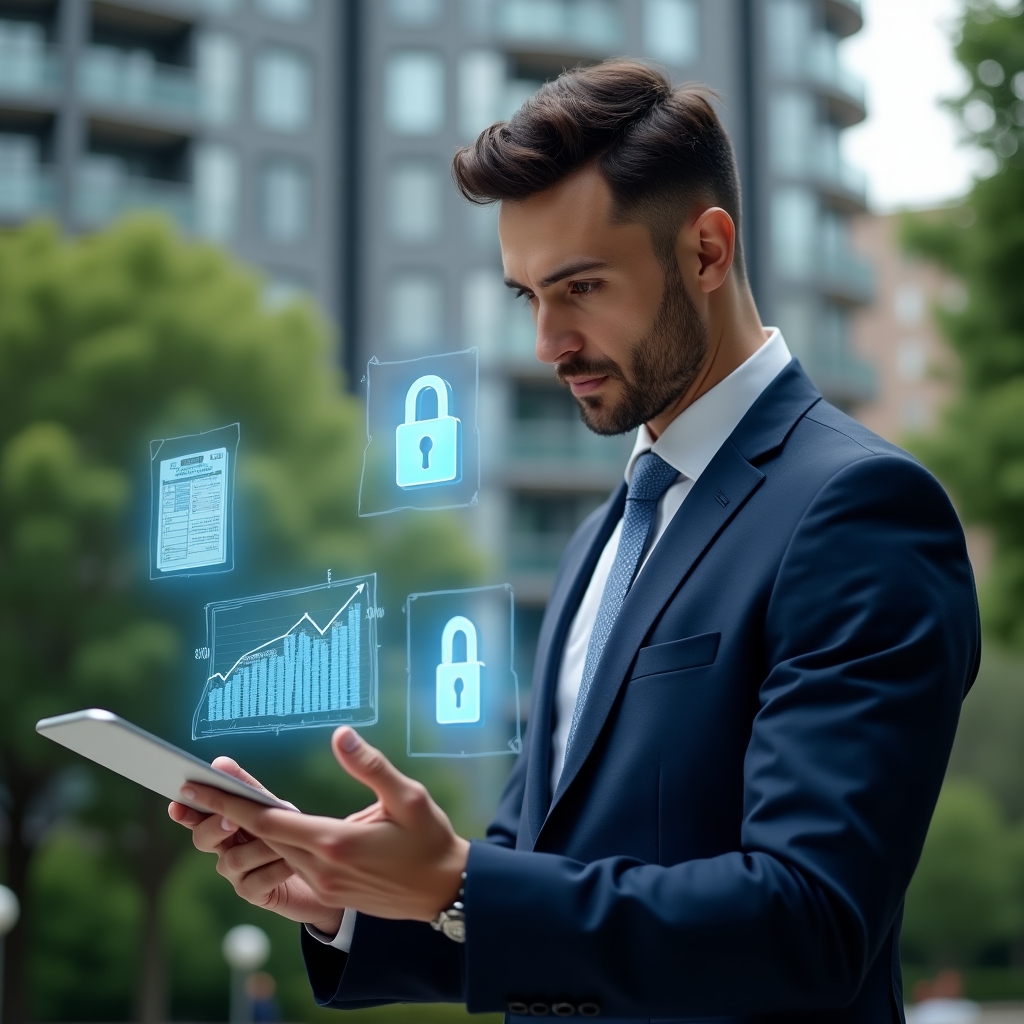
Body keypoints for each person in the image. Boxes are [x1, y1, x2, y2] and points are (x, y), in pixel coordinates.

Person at [169, 60, 980, 1023]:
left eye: (582, 286)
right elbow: (546, 872)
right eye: (527, 297)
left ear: (708, 251)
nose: (549, 341)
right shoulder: (603, 536)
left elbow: (810, 924)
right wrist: (351, 903)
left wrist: (456, 883)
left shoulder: (861, 509)